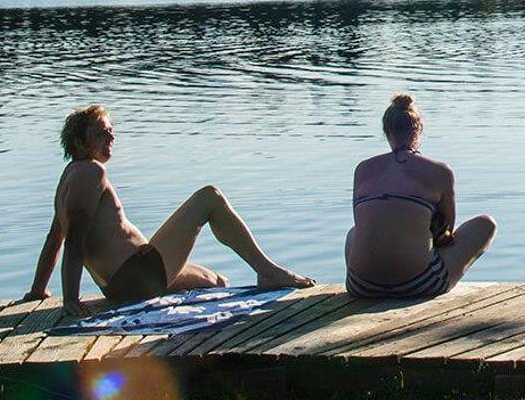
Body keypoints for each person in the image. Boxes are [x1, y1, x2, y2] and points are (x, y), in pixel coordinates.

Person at [23, 104, 313, 314]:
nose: (111, 137)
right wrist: (71, 300)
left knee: (216, 281)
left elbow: (54, 239)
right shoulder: (91, 173)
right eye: (102, 133)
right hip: (136, 274)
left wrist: (38, 290)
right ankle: (268, 272)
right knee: (209, 197)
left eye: (111, 131)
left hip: (126, 282)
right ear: (79, 141)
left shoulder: (69, 177)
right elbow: (73, 240)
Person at [345, 93, 496, 301]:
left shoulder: (363, 169)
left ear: (386, 131)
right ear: (419, 130)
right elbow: (446, 233)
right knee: (486, 224)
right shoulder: (440, 171)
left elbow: (362, 224)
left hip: (361, 286)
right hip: (418, 284)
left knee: (354, 232)